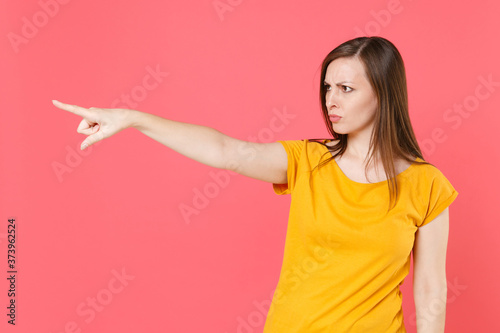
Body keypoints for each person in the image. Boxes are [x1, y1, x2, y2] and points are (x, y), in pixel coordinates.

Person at [53, 36, 458, 333]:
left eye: (346, 89)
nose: (330, 100)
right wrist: (133, 118)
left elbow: (430, 295)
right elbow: (228, 151)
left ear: (383, 95)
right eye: (327, 87)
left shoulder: (427, 185)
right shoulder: (308, 161)